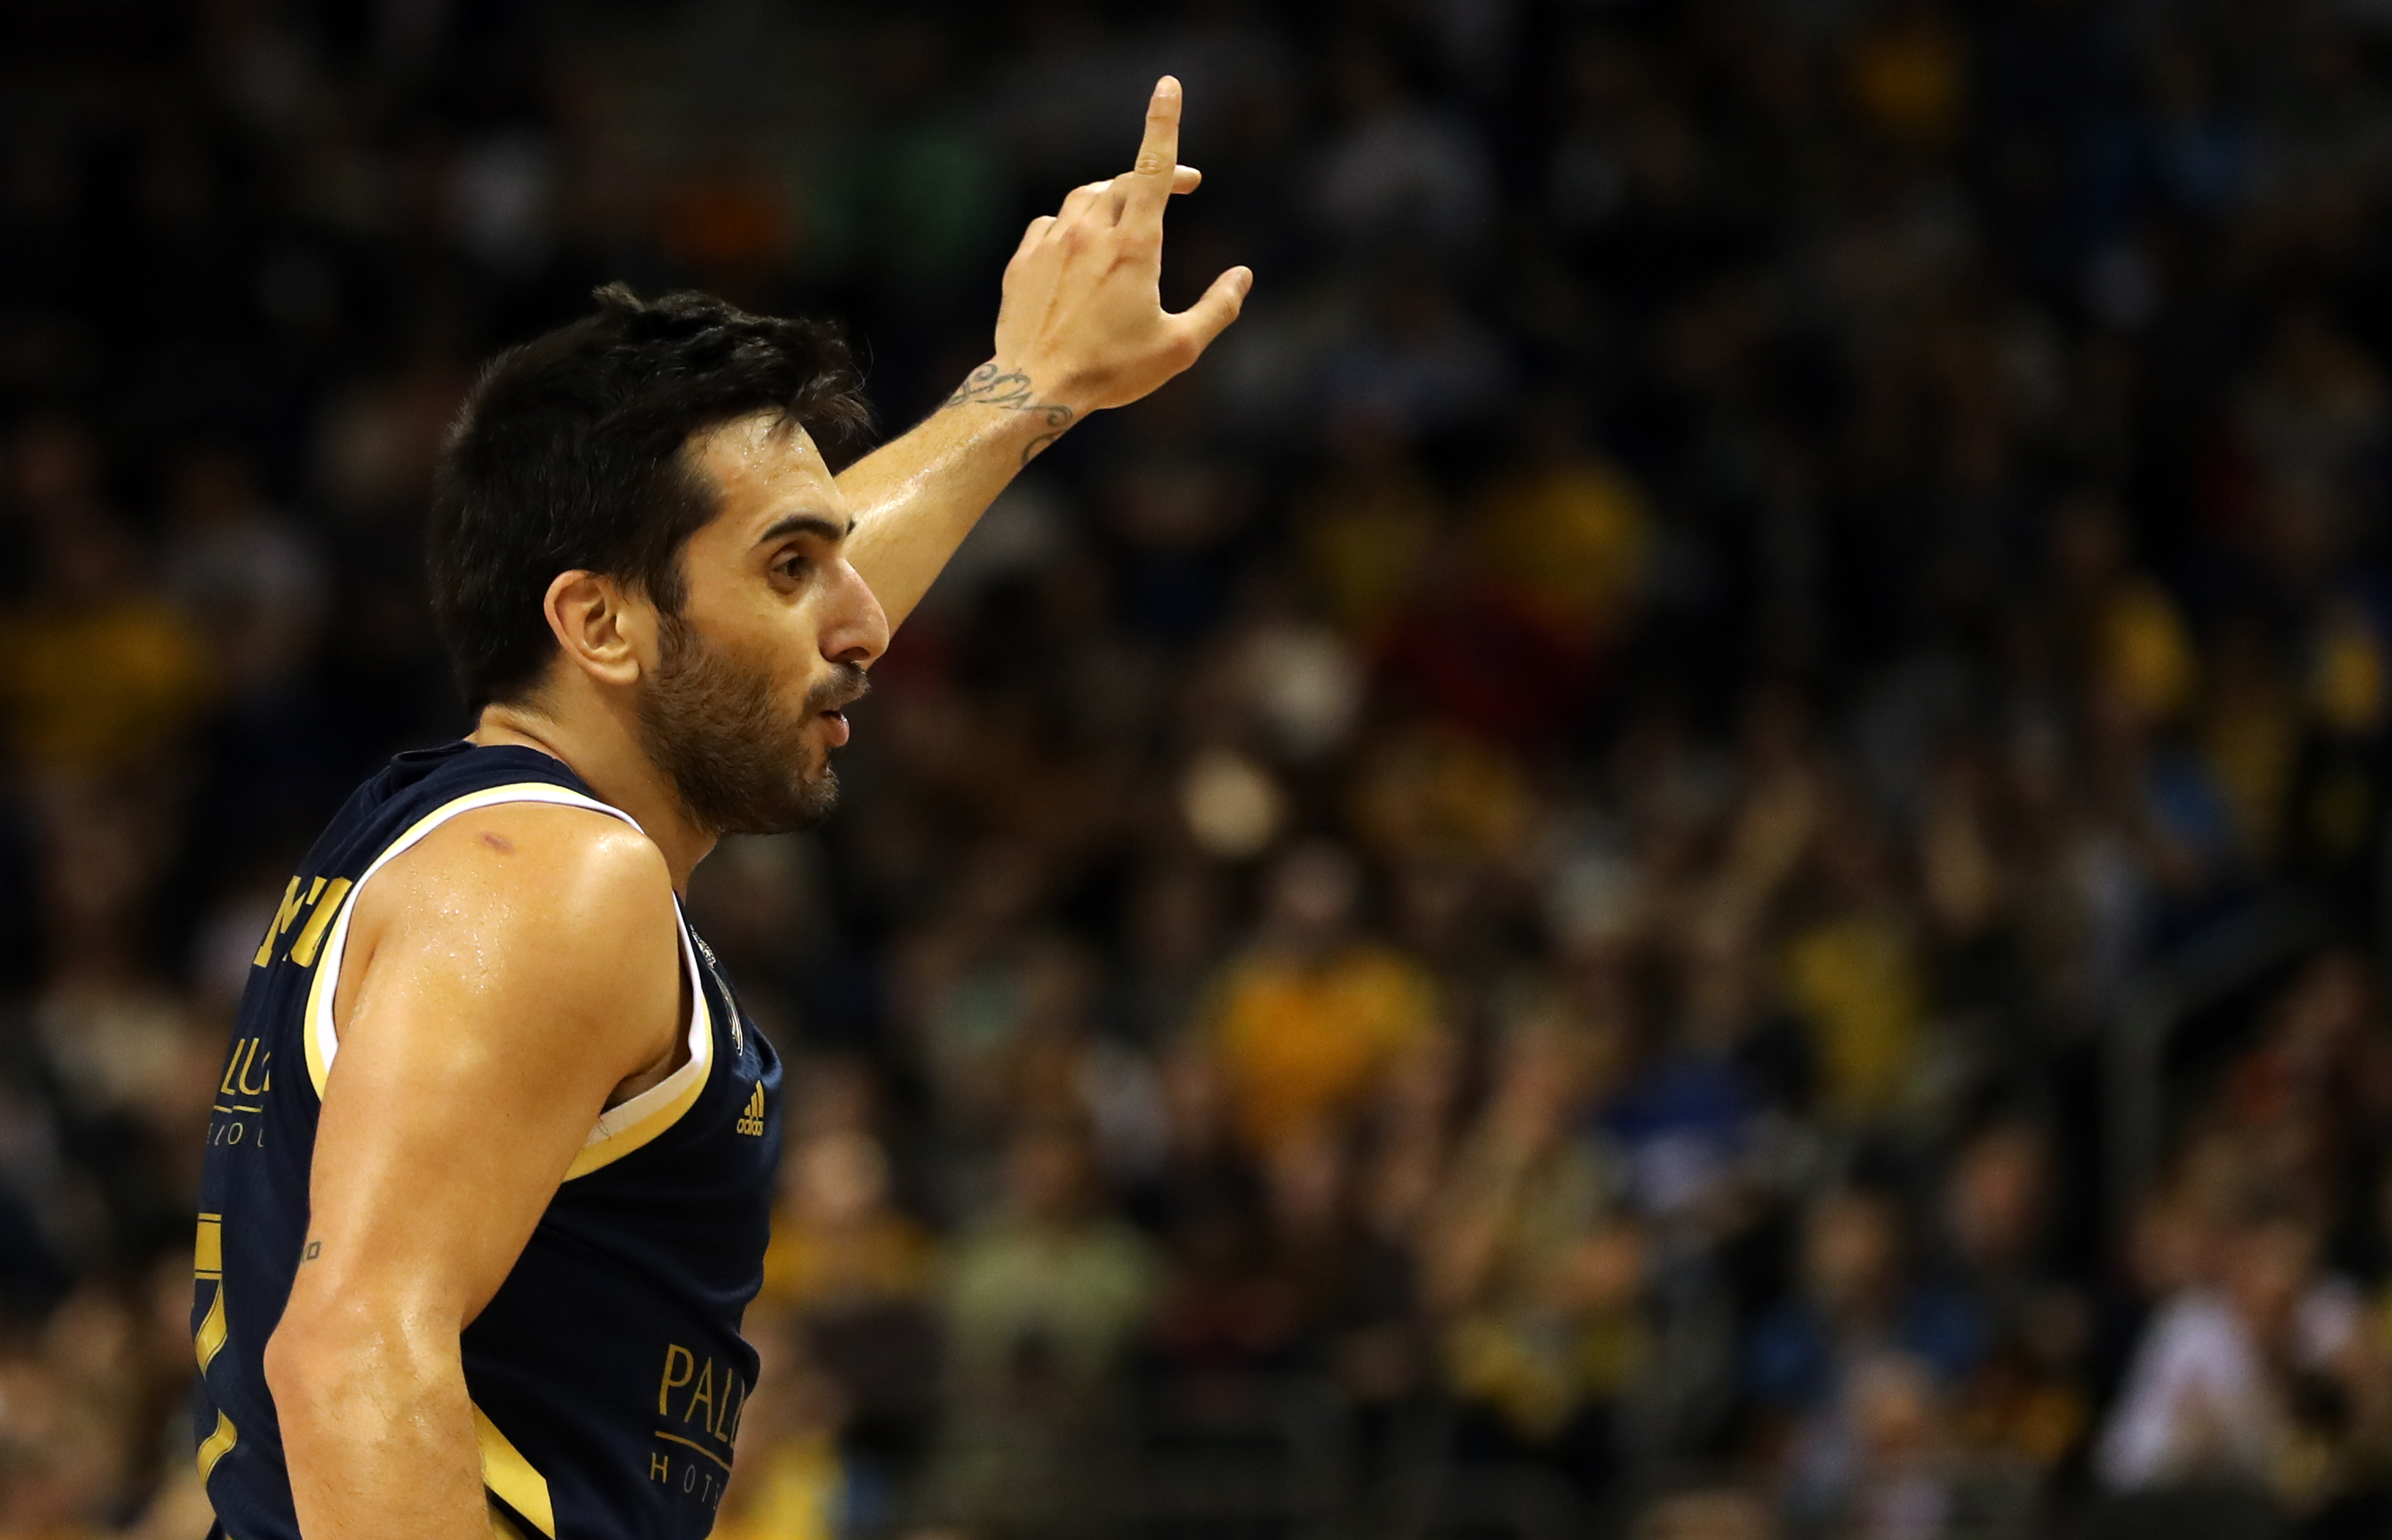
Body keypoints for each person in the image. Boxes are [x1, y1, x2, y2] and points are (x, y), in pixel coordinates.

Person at [188, 78, 1250, 1540]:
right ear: (601, 626)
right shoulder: (547, 876)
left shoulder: (447, 829)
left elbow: (762, 604)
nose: (865, 624)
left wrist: (1029, 389)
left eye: (828, 557)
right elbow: (352, 1353)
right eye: (790, 567)